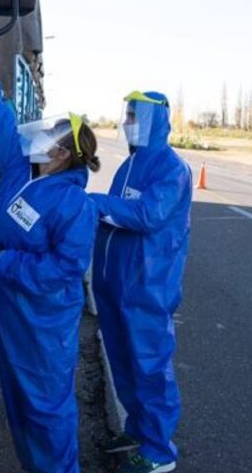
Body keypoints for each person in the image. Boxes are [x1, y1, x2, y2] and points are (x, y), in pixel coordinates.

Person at [0, 46, 100, 473]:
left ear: (62, 153)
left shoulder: (74, 204)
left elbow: (64, 269)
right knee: (20, 407)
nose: (38, 136)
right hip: (13, 315)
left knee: (46, 411)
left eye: (49, 135)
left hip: (43, 325)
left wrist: (8, 263)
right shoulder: (21, 170)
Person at [90, 91, 192, 473]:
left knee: (150, 367)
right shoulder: (130, 165)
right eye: (127, 114)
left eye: (134, 115)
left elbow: (148, 215)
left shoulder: (171, 168)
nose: (127, 122)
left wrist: (97, 204)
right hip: (116, 285)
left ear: (153, 119)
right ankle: (137, 431)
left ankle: (159, 451)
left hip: (147, 287)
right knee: (123, 363)